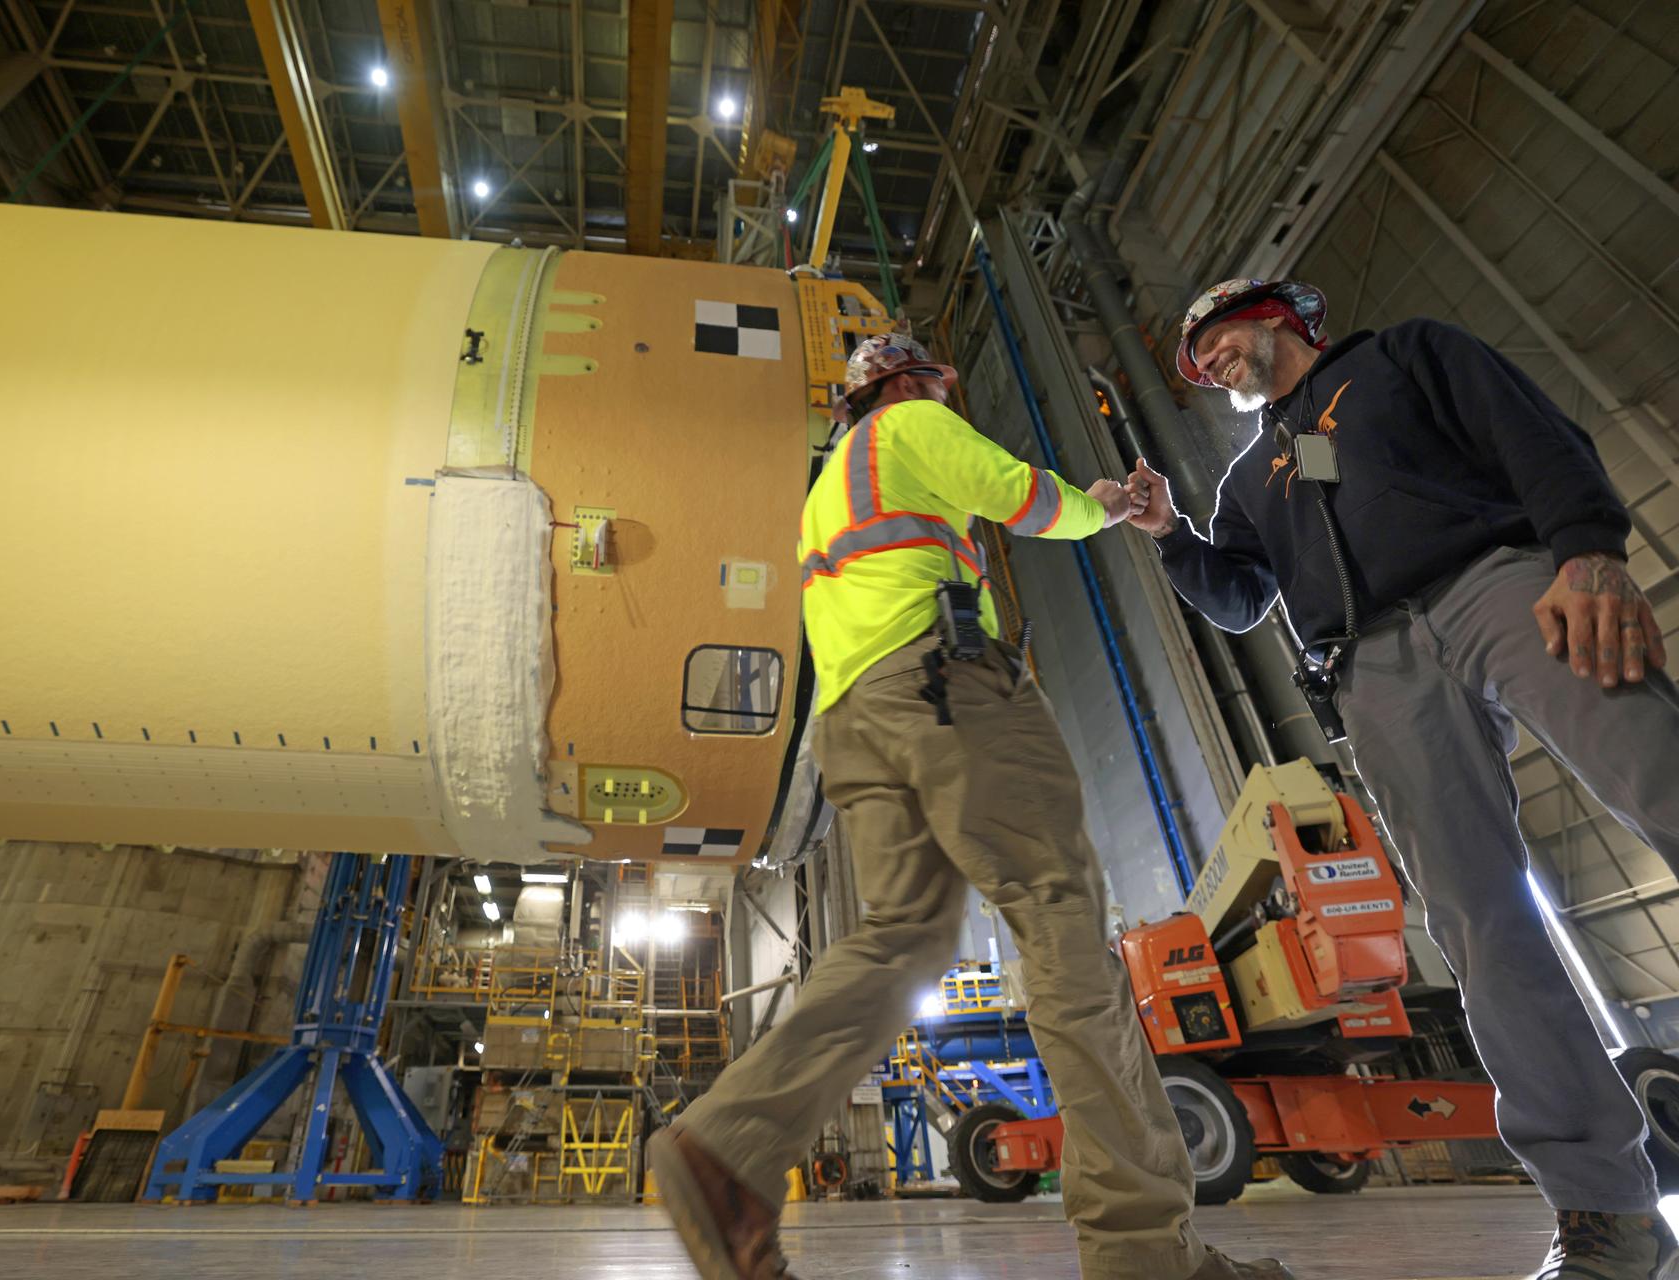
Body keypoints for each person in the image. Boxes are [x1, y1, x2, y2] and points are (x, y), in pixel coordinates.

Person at [646, 333, 1293, 1280]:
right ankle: (1145, 1252)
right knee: (1062, 922)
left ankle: (727, 1147)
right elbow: (1024, 499)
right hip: (949, 684)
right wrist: (1105, 505)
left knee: (902, 937)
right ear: (912, 386)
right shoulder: (913, 427)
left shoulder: (827, 491)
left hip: (855, 724)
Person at [1126, 277, 1679, 1280]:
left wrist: (1588, 548)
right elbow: (1245, 596)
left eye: (1217, 337)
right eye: (1197, 361)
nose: (1208, 363)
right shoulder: (1252, 477)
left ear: (1282, 318)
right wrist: (1172, 535)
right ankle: (1607, 1211)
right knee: (1478, 921)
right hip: (1370, 666)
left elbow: (1528, 433)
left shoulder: (1404, 357)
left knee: (1664, 779)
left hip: (1498, 584)